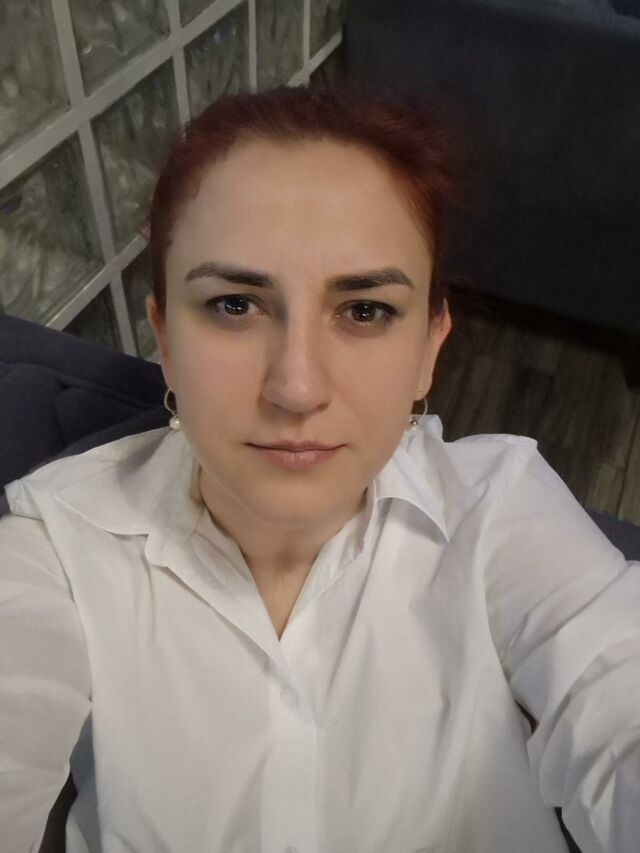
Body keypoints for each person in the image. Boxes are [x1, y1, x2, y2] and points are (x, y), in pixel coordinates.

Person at [1, 84, 639, 853]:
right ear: (164, 337)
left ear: (430, 346)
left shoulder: (500, 507)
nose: (297, 387)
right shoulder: (56, 547)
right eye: (235, 304)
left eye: (365, 310)